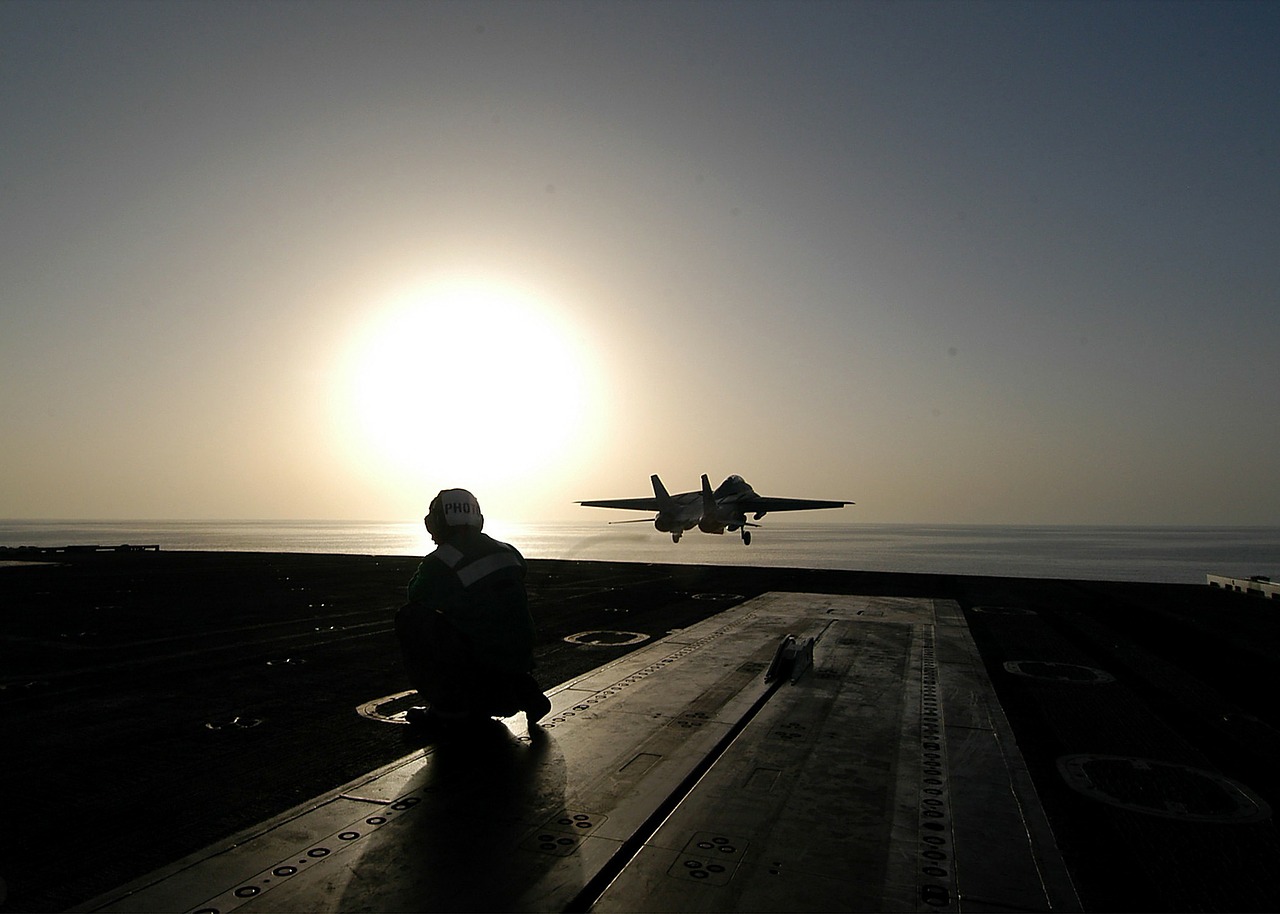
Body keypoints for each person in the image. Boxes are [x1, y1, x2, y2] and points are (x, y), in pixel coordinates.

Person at [396, 488, 551, 731]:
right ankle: (522, 688)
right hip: (520, 657)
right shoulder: (507, 550)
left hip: (482, 666)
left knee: (411, 617)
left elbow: (416, 595)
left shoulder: (441, 560)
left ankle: (446, 708)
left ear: (438, 522)